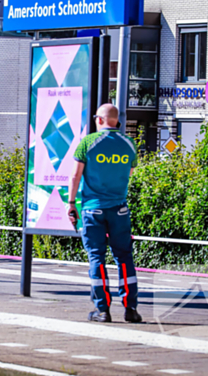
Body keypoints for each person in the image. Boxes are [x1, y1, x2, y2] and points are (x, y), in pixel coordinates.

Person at [66, 103, 142, 323]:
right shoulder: (129, 144)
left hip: (92, 208)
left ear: (99, 120)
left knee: (96, 257)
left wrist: (71, 203)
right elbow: (129, 173)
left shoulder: (88, 143)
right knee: (125, 257)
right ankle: (131, 309)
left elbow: (75, 176)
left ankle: (102, 310)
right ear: (116, 121)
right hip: (119, 208)